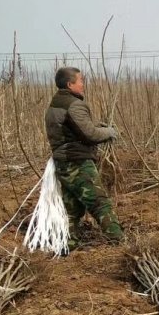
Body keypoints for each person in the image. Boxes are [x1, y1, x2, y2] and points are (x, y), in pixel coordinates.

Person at [45, 67, 123, 250]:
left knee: (72, 208)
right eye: (80, 81)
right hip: (77, 162)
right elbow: (89, 135)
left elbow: (71, 128)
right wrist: (109, 132)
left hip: (62, 163)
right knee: (99, 202)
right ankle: (118, 241)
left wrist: (97, 126)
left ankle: (67, 244)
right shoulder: (74, 104)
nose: (83, 84)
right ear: (70, 84)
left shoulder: (54, 105)